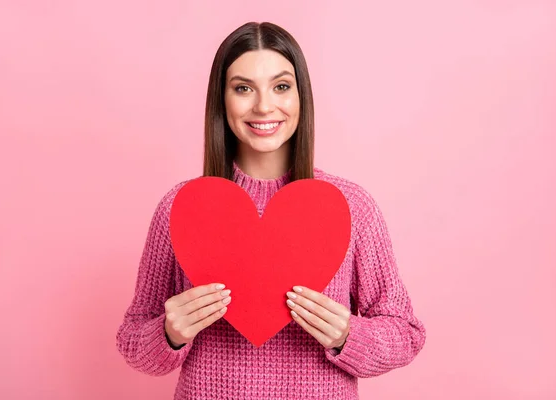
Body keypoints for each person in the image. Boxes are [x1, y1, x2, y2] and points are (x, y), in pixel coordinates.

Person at [116, 21, 426, 399]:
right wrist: (169, 331)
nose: (264, 105)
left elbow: (406, 333)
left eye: (281, 86)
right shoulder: (180, 208)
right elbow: (132, 340)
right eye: (243, 88)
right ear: (221, 99)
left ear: (301, 97)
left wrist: (348, 334)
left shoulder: (351, 206)